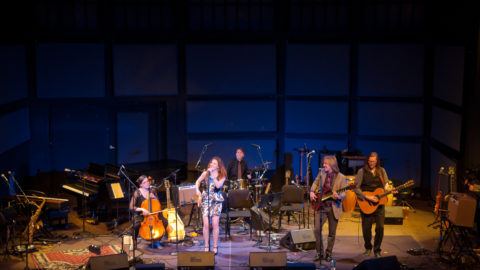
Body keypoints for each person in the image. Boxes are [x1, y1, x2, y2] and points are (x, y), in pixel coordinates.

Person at [354, 152, 392, 258]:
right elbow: (356, 188)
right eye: (370, 161)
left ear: (377, 161)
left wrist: (389, 189)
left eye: (374, 161)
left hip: (379, 205)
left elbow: (386, 184)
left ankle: (377, 249)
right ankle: (368, 248)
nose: (372, 163)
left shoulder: (381, 171)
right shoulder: (362, 171)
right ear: (367, 161)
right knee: (366, 229)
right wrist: (367, 197)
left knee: (380, 228)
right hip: (366, 203)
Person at [309, 155, 346, 261]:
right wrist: (312, 192)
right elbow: (315, 183)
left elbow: (344, 192)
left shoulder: (341, 177)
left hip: (334, 207)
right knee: (317, 229)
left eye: (325, 163)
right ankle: (319, 252)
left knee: (331, 233)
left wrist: (339, 196)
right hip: (322, 206)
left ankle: (329, 253)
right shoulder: (322, 173)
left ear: (332, 165)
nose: (323, 165)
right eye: (323, 163)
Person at [195, 156, 227, 255]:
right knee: (205, 224)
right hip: (205, 199)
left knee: (215, 223)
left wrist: (213, 176)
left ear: (218, 166)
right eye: (211, 163)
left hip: (216, 200)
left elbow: (218, 186)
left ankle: (215, 246)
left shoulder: (222, 175)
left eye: (214, 164)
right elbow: (197, 181)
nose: (212, 165)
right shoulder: (205, 173)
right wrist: (198, 192)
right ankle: (206, 245)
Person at [129, 175, 164, 248]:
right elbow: (131, 207)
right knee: (136, 225)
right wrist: (142, 209)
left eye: (147, 181)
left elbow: (158, 204)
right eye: (145, 182)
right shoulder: (137, 192)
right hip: (141, 215)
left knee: (165, 221)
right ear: (141, 185)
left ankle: (157, 240)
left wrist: (154, 197)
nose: (147, 183)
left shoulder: (152, 190)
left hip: (153, 214)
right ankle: (134, 241)